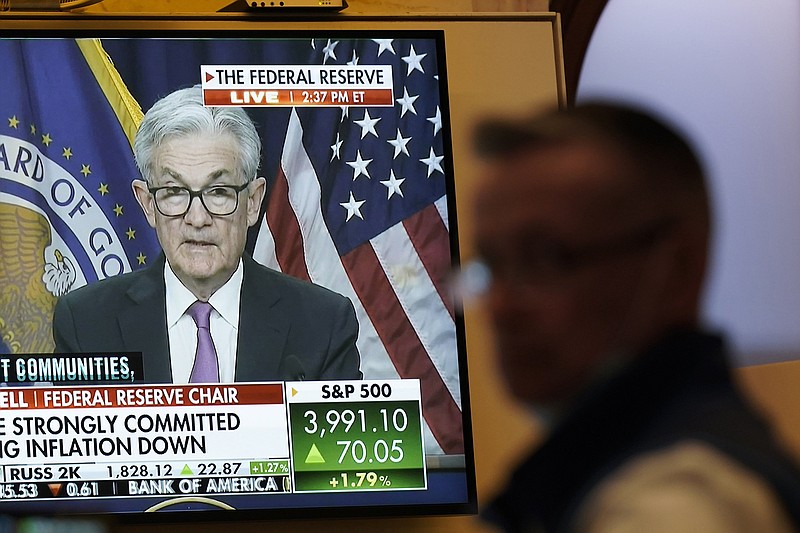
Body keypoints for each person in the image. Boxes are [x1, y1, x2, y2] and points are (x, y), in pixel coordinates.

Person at [470, 102, 800, 532]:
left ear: (676, 269)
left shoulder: (678, 504)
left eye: (547, 258)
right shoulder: (591, 469)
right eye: (492, 265)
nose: (500, 306)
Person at [52, 86, 361, 383]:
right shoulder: (87, 325)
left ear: (252, 202)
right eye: (174, 191)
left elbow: (341, 439)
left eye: (219, 192)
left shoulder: (323, 325)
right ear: (148, 204)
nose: (197, 218)